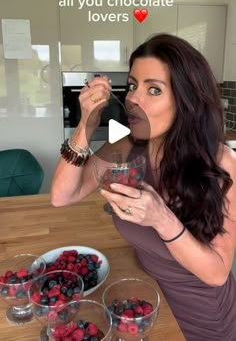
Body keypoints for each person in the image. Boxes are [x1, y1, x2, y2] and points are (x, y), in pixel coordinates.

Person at [51, 33, 236, 341]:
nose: (134, 99)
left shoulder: (222, 164)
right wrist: (86, 125)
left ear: (186, 100)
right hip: (148, 303)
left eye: (154, 89)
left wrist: (161, 219)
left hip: (204, 316)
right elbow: (62, 195)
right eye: (133, 85)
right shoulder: (127, 147)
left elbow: (216, 273)